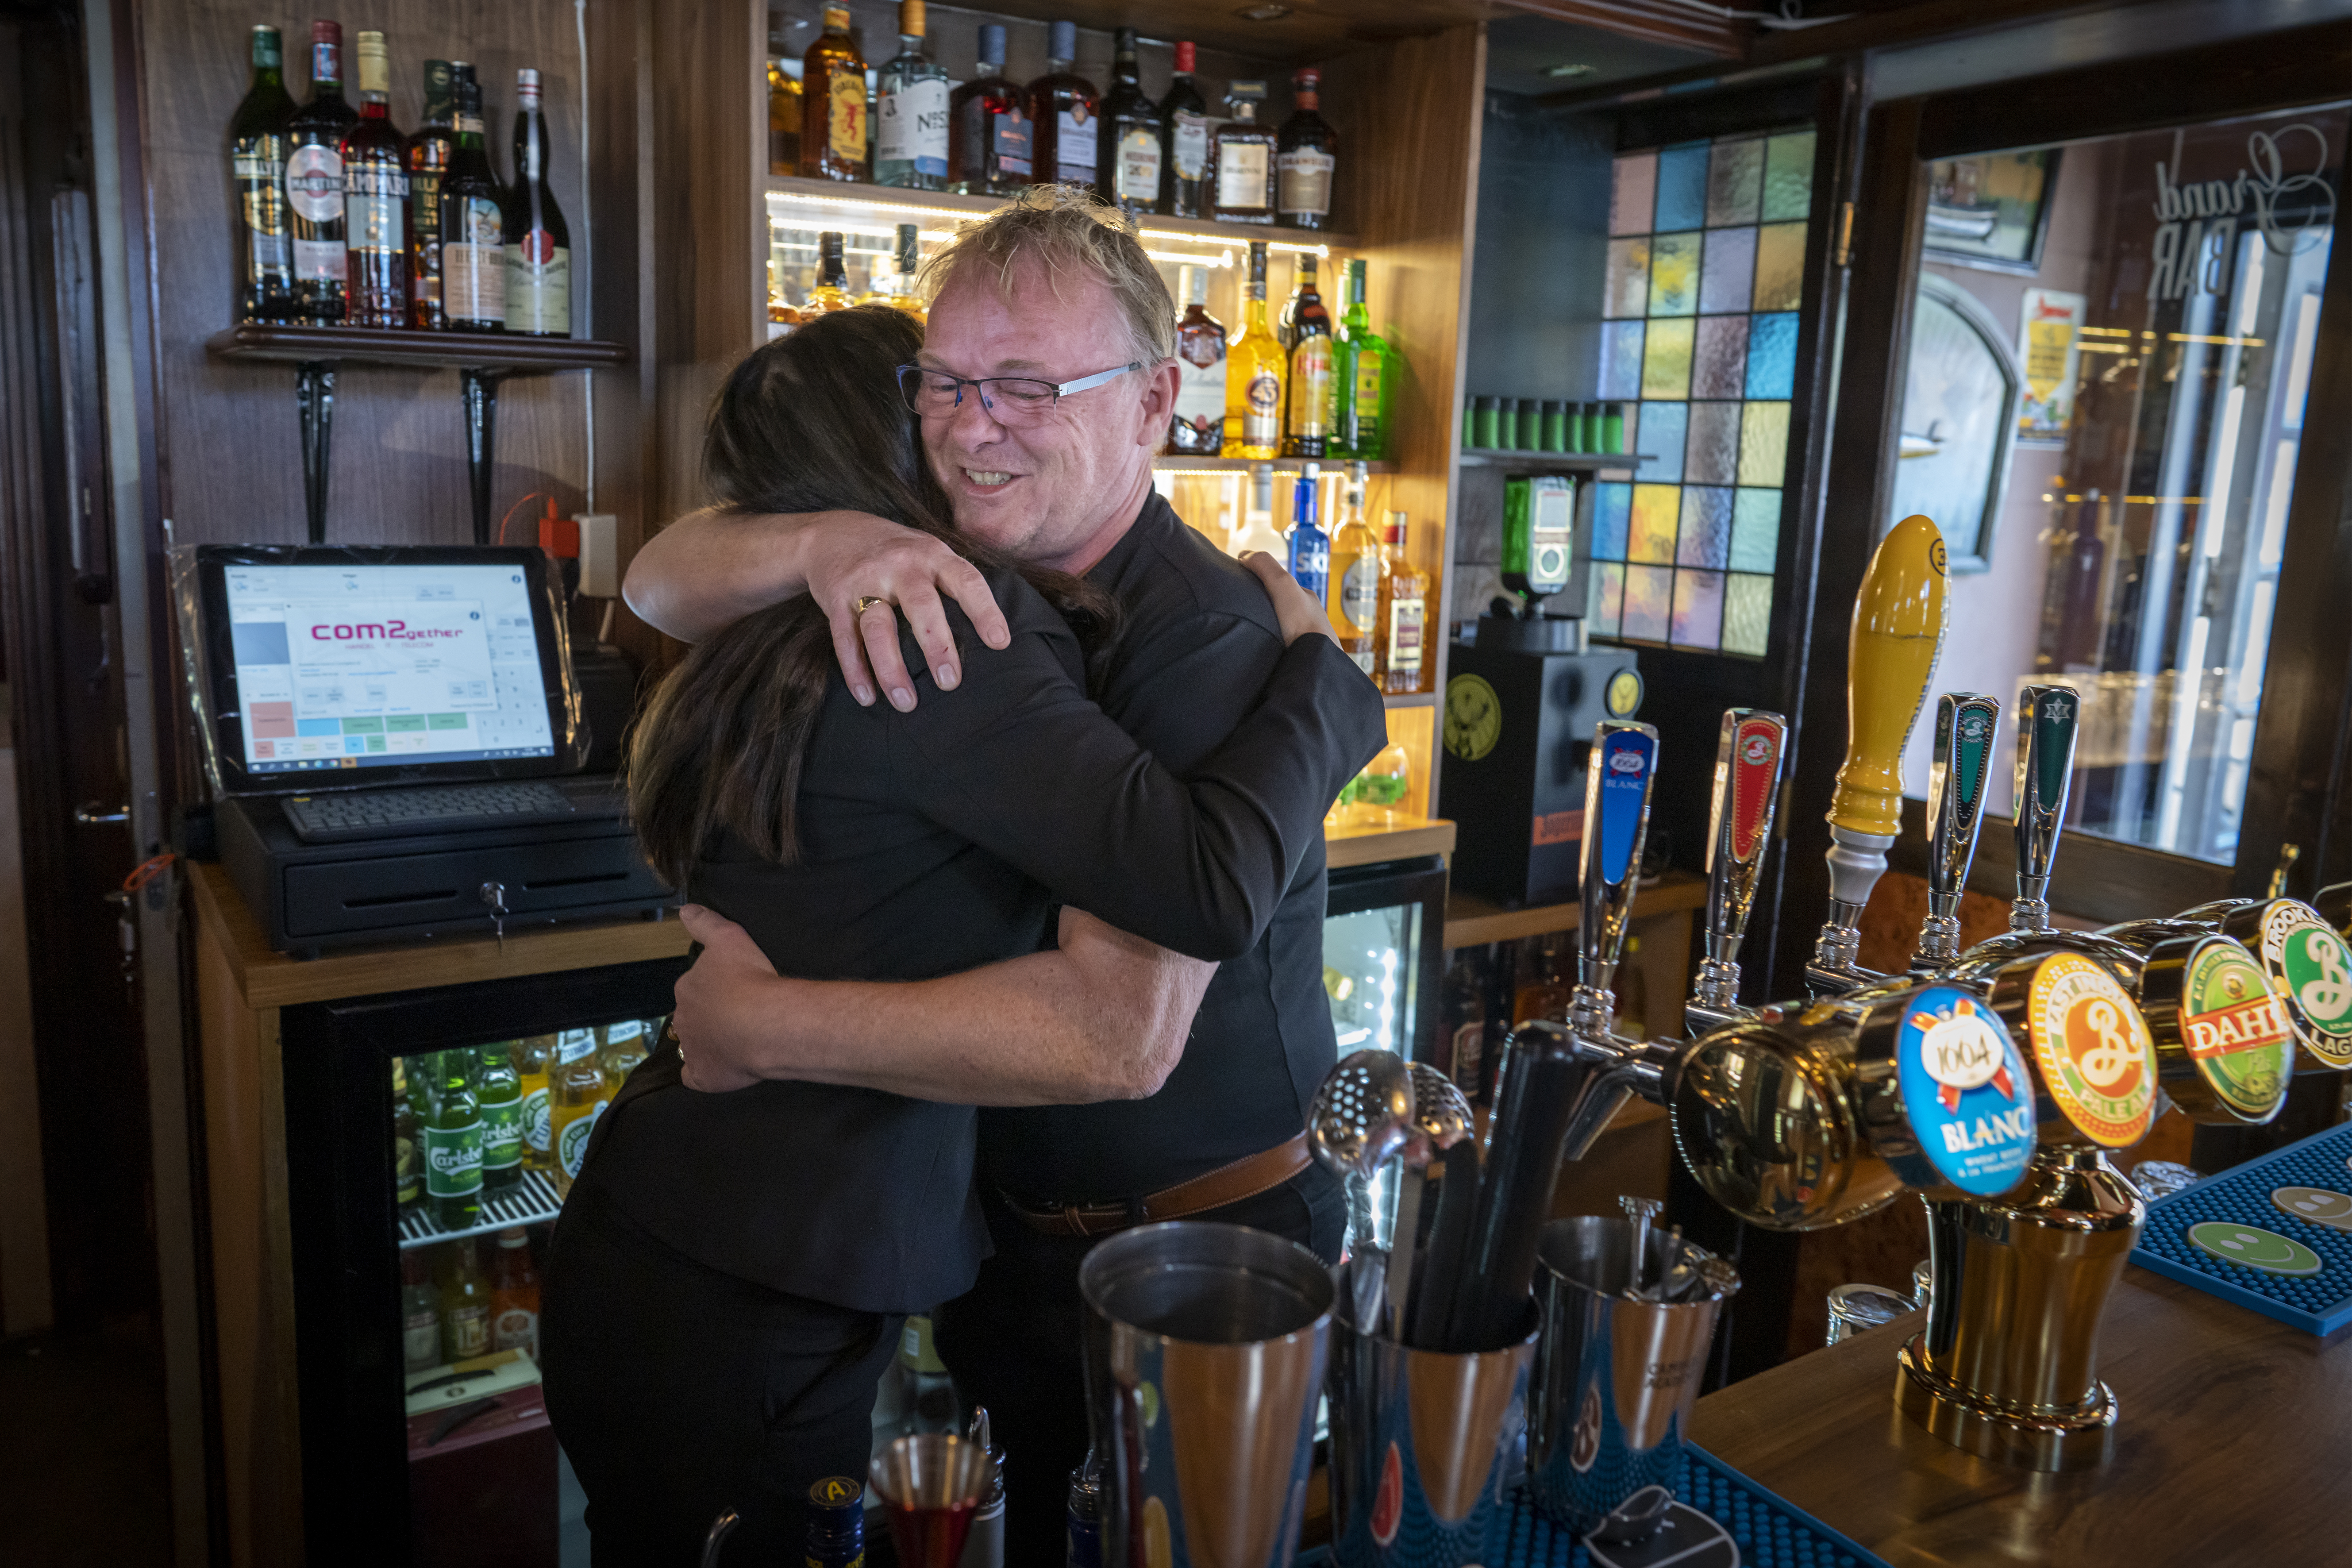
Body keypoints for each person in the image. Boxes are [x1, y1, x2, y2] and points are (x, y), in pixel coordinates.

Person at [541, 303, 1380, 1565]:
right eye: (946, 397)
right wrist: (1332, 689)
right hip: (762, 1271)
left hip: (697, 1241)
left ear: (1147, 402)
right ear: (903, 450)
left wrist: (762, 1024)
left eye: (1009, 391)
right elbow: (1199, 885)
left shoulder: (789, 636)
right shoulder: (944, 634)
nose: (978, 425)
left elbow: (1123, 1031)